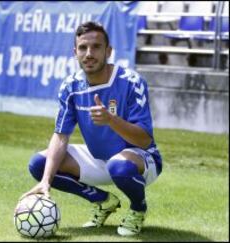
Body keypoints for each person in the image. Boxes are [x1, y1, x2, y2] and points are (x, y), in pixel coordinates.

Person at [21, 21, 162, 236]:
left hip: (141, 159)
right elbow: (60, 137)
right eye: (83, 48)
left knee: (119, 166)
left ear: (108, 51)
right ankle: (102, 200)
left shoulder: (132, 82)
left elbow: (144, 140)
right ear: (75, 53)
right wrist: (45, 182)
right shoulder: (71, 86)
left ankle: (138, 208)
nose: (89, 53)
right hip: (98, 159)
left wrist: (111, 120)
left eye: (96, 47)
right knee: (39, 164)